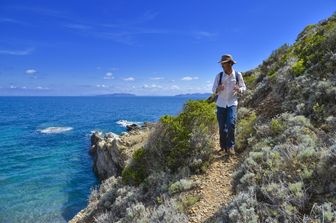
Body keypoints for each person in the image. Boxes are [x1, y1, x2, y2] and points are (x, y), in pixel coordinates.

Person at [212, 54, 246, 155]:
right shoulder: (219, 76)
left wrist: (239, 89)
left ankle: (231, 147)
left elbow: (244, 87)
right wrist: (218, 88)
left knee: (231, 123)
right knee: (222, 127)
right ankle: (223, 147)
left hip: (232, 103)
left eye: (224, 63)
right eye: (222, 64)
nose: (222, 65)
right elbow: (214, 90)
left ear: (230, 63)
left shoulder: (237, 75)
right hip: (221, 104)